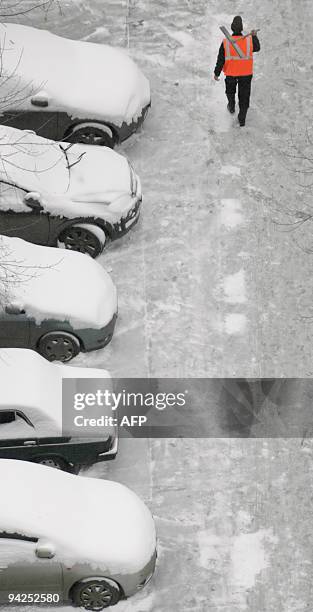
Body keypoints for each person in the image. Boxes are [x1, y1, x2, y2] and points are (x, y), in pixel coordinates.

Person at [214, 16, 260, 126]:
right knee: (244, 97)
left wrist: (216, 73)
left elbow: (220, 59)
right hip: (246, 73)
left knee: (230, 91)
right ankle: (242, 119)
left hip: (231, 73)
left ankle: (231, 106)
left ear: (232, 28)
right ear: (241, 28)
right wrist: (254, 37)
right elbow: (257, 48)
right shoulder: (248, 40)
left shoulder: (226, 42)